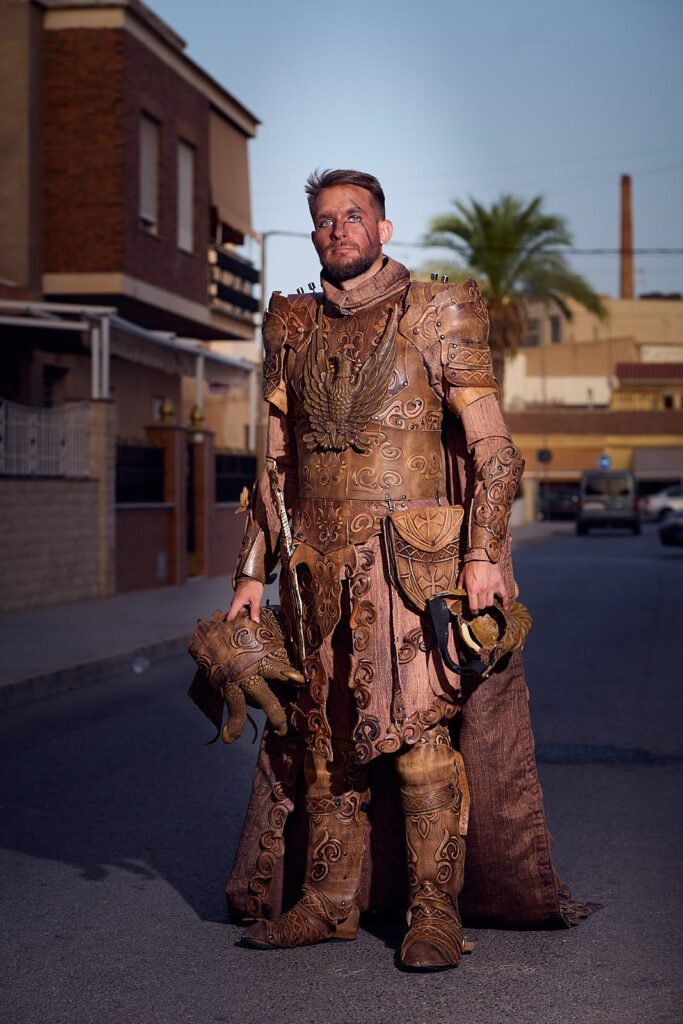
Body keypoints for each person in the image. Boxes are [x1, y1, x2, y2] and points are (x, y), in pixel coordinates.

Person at [224, 169, 584, 971]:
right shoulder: (289, 323)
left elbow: (493, 452)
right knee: (326, 742)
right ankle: (325, 902)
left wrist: (485, 555)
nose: (336, 230)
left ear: (383, 229)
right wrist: (252, 573)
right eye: (323, 220)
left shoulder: (438, 311)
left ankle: (433, 913)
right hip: (314, 570)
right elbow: (272, 469)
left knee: (421, 737)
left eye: (354, 216)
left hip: (412, 570)